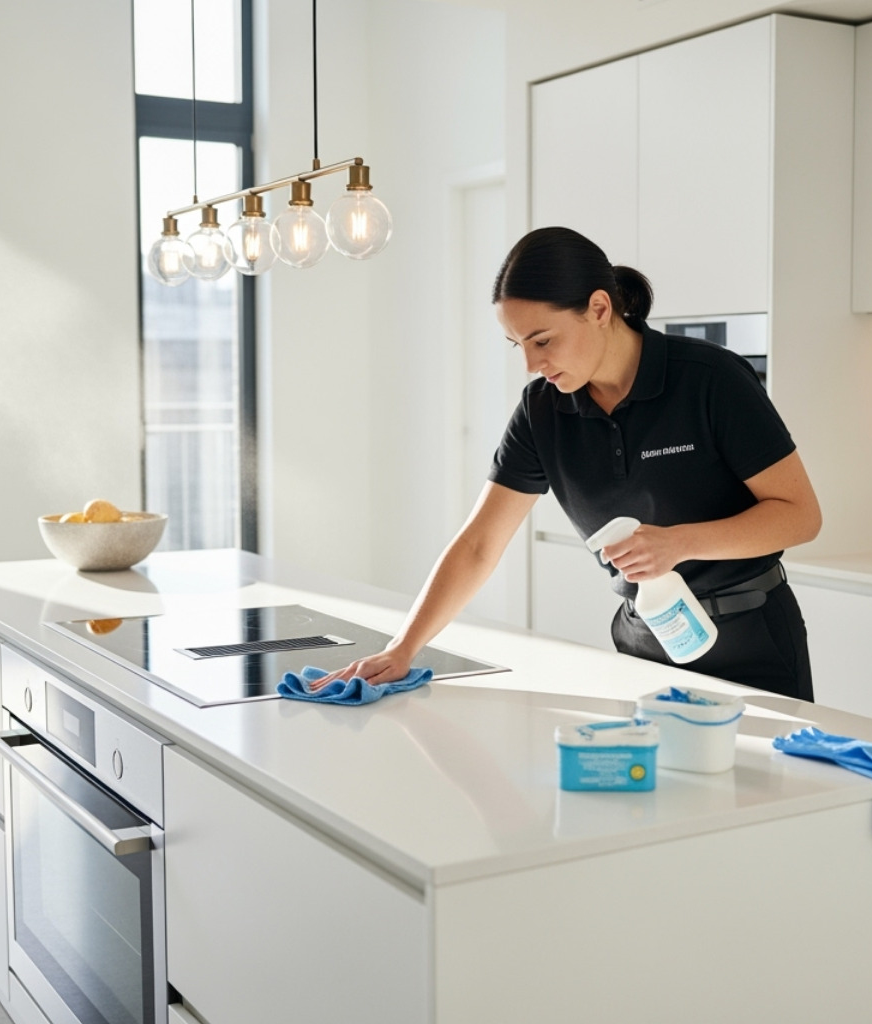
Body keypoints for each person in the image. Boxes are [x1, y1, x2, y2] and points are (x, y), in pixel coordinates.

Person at [319, 226, 822, 700]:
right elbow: (478, 545)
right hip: (644, 646)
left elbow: (800, 515)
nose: (532, 364)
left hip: (751, 641)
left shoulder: (710, 380)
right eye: (518, 345)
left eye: (543, 340)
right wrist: (403, 648)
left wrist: (680, 542)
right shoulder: (543, 411)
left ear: (599, 308)